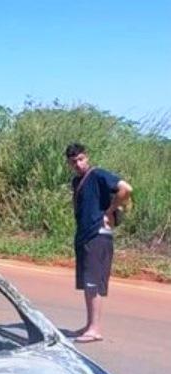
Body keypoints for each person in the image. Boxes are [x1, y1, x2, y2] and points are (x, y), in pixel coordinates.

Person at [65, 142, 132, 343]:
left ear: (87, 157)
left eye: (80, 159)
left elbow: (126, 189)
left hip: (98, 235)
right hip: (85, 235)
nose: (78, 164)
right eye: (73, 161)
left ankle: (95, 329)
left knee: (93, 283)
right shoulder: (77, 182)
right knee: (87, 283)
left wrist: (110, 211)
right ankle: (89, 325)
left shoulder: (98, 175)